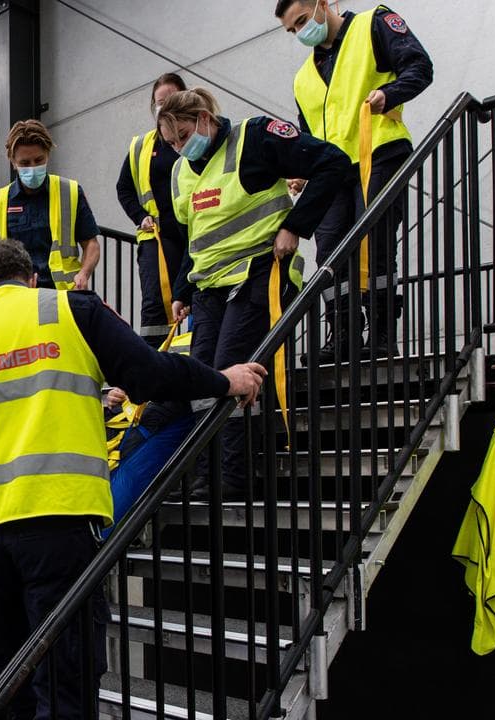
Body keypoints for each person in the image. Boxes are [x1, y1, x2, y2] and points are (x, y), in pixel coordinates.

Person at [0, 239, 267, 719]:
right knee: (66, 691)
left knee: (7, 695)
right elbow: (152, 374)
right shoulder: (69, 310)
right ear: (31, 278)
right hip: (58, 526)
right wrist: (224, 381)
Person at [160, 88, 349, 501]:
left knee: (232, 368)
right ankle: (202, 478)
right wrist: (182, 289)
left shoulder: (255, 137)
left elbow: (332, 162)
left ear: (206, 119)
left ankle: (234, 478)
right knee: (200, 379)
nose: (179, 148)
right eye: (172, 143)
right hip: (209, 286)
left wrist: (296, 225)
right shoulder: (181, 173)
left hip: (259, 272)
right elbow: (194, 236)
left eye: (184, 135)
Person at [276, 0, 434, 361]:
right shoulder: (304, 78)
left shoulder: (372, 24)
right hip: (332, 171)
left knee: (375, 246)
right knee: (330, 250)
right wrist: (302, 167)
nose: (300, 32)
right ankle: (342, 333)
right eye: (292, 30)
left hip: (378, 150)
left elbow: (420, 67)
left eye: (302, 21)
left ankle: (381, 332)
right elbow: (309, 131)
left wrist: (389, 94)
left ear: (323, 4)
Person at [115, 71, 193, 347]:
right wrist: (140, 216)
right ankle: (154, 361)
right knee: (155, 302)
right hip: (158, 236)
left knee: (193, 295)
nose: (164, 105)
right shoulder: (143, 146)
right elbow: (123, 188)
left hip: (194, 229)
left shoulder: (196, 137)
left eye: (171, 98)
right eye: (159, 102)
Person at [0, 119, 101, 291]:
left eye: (38, 160)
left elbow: (91, 244)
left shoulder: (69, 192)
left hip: (63, 294)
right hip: (16, 297)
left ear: (48, 155)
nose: (33, 167)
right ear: (13, 162)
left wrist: (84, 274)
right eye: (25, 163)